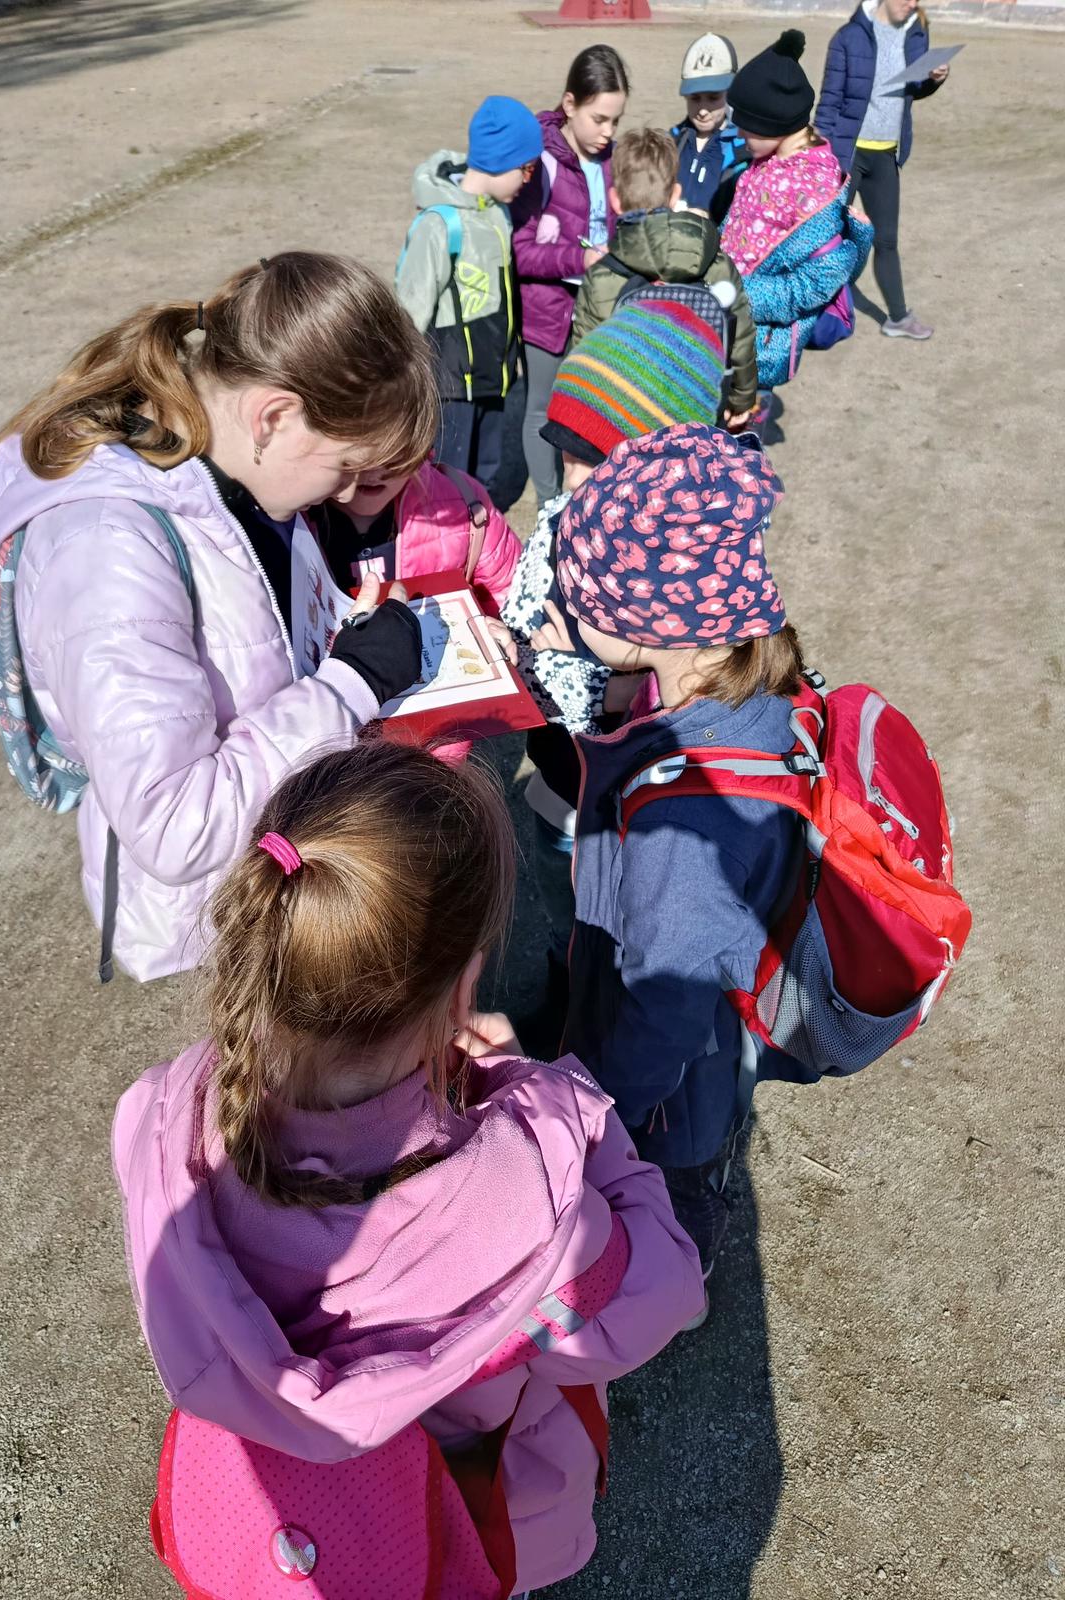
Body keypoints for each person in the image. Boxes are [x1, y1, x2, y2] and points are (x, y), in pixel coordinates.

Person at [112, 741, 704, 1594]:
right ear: (463, 991)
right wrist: (560, 1107)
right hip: (477, 1526)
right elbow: (667, 1287)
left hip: (294, 1531)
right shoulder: (533, 1197)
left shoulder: (164, 1117)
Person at [0, 254, 434, 982]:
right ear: (273, 416)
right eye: (346, 466)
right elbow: (175, 824)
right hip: (211, 920)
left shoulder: (248, 477)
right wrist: (351, 685)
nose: (350, 493)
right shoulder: (107, 549)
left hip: (281, 869)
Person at [553, 423, 805, 1294]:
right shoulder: (744, 681)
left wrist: (594, 1113)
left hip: (663, 1094)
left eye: (581, 604)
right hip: (679, 1023)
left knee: (673, 1187)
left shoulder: (686, 827)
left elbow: (667, 1007)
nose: (566, 615)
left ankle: (678, 1274)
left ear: (652, 622)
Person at [501, 298, 730, 1052]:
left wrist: (611, 685)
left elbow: (679, 701)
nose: (570, 478)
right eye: (564, 452)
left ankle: (606, 1035)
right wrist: (511, 640)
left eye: (592, 459)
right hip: (556, 778)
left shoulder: (686, 568)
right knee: (563, 912)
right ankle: (564, 995)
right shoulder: (566, 517)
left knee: (620, 931)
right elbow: (529, 606)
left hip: (626, 804)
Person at [396, 95, 543, 494]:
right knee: (445, 479)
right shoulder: (440, 224)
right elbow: (410, 309)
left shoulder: (497, 212)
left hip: (493, 378)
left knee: (484, 475)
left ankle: (480, 528)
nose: (528, 180)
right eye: (526, 169)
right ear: (500, 161)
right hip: (451, 387)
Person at [721, 31, 873, 403]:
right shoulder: (767, 162)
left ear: (773, 123)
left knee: (737, 436)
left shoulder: (814, 192)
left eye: (745, 123)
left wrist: (737, 295)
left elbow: (813, 285)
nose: (738, 132)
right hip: (725, 329)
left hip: (756, 351)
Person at [571, 125, 758, 425]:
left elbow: (584, 359)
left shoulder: (602, 276)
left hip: (626, 418)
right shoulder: (715, 262)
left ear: (614, 199)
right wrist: (740, 400)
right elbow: (741, 340)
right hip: (699, 412)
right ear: (675, 195)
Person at [511, 44, 630, 507]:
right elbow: (521, 251)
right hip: (546, 313)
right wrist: (578, 260)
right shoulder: (539, 162)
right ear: (569, 104)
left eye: (616, 120)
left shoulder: (612, 160)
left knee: (589, 407)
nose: (608, 132)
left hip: (598, 311)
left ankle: (586, 496)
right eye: (599, 119)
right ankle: (549, 505)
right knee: (541, 409)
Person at [816, 0, 950, 340]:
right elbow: (829, 101)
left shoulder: (916, 32)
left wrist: (934, 80)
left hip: (887, 155)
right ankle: (812, 310)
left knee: (887, 241)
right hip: (848, 154)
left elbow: (912, 89)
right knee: (826, 236)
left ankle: (898, 318)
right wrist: (820, 155)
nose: (912, 3)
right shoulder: (848, 37)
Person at [308, 456, 521, 616]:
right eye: (352, 443)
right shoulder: (293, 518)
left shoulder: (464, 501)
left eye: (394, 445)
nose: (375, 467)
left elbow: (509, 595)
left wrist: (497, 629)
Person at [670, 32, 749, 224]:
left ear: (730, 92)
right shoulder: (671, 141)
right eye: (695, 99)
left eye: (713, 98)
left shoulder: (742, 150)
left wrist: (710, 218)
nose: (703, 110)